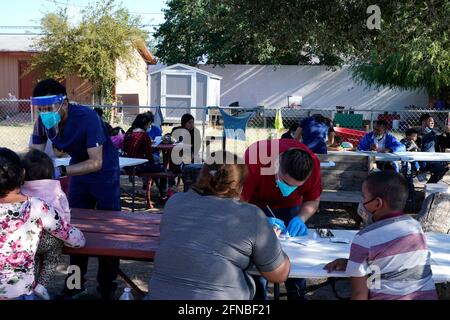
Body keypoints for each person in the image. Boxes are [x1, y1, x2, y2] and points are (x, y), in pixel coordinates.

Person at [147, 151, 290, 300]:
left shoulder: (174, 202)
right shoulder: (251, 214)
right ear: (239, 184)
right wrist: (271, 241)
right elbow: (279, 274)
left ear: (202, 174)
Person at [30, 79, 121, 300]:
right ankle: (74, 286)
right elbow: (33, 156)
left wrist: (60, 172)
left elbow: (96, 162)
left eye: (48, 109)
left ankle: (107, 287)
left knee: (109, 232)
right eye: (40, 110)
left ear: (65, 103)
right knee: (74, 230)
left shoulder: (88, 118)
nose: (44, 114)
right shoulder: (43, 122)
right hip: (78, 171)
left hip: (104, 173)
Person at [325, 171, 437, 300]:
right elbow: (391, 269)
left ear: (377, 203)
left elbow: (359, 294)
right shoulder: (415, 227)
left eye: (364, 197)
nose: (361, 202)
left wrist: (358, 266)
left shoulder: (364, 238)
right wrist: (355, 265)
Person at [241, 138, 322, 300]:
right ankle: (259, 298)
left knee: (295, 256)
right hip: (256, 205)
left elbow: (313, 200)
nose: (290, 189)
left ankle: (297, 295)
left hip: (291, 207)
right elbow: (239, 204)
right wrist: (259, 222)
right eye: (286, 183)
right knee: (258, 259)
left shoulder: (312, 164)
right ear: (276, 166)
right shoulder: (255, 159)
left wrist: (301, 217)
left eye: (296, 186)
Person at [0, 148, 85, 300]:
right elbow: (71, 236)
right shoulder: (37, 207)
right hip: (19, 292)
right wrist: (80, 238)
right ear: (22, 174)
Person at [20, 149, 72, 300]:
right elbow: (65, 211)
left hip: (28, 237)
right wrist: (66, 227)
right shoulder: (56, 189)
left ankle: (31, 284)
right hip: (52, 237)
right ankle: (42, 285)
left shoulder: (21, 189)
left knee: (33, 259)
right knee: (52, 257)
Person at [123, 113, 168, 205]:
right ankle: (163, 196)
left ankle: (150, 188)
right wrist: (153, 165)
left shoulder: (128, 133)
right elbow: (149, 156)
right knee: (163, 170)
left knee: (156, 168)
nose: (150, 126)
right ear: (145, 124)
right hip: (139, 166)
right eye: (149, 124)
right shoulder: (144, 136)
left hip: (127, 165)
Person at [415, 114, 449, 183]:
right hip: (421, 160)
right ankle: (429, 186)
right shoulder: (415, 134)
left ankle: (430, 186)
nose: (433, 123)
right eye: (430, 121)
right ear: (423, 122)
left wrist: (448, 133)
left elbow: (447, 143)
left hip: (434, 160)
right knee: (440, 169)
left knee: (443, 168)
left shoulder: (435, 134)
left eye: (433, 121)